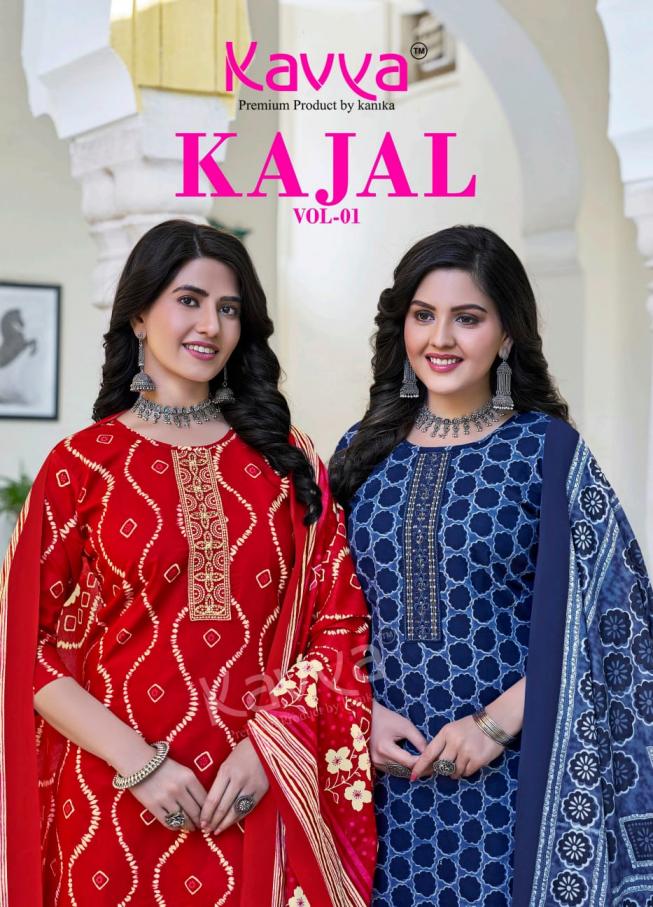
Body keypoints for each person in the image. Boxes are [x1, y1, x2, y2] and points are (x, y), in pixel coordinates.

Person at [0, 220, 376, 907]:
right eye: (189, 300)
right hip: (113, 800)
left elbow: (338, 624)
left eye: (228, 308)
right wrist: (137, 762)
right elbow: (24, 645)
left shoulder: (286, 461)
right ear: (139, 315)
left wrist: (270, 748)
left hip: (253, 793)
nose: (210, 325)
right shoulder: (80, 466)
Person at [329, 225, 653, 907]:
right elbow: (318, 612)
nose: (440, 338)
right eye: (424, 315)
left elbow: (615, 620)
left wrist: (494, 725)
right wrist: (356, 712)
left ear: (506, 335)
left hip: (514, 781)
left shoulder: (549, 452)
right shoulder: (359, 453)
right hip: (374, 782)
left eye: (467, 318)